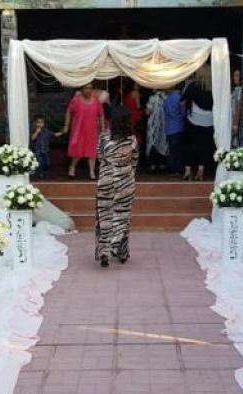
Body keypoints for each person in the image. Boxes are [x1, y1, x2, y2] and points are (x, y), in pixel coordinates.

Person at [95, 106, 139, 268]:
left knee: (104, 216)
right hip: (125, 180)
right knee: (122, 216)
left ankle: (104, 253)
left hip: (106, 180)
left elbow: (100, 157)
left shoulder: (103, 138)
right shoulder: (132, 140)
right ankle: (121, 251)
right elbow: (135, 160)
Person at [62, 83, 105, 180]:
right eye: (86, 88)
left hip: (92, 130)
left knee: (92, 151)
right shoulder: (76, 100)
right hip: (78, 129)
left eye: (90, 88)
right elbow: (69, 111)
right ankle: (72, 167)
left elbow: (101, 114)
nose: (88, 90)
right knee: (78, 151)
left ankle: (91, 172)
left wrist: (102, 127)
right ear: (82, 89)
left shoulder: (96, 101)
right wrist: (66, 125)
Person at [182, 64, 215, 181]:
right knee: (204, 146)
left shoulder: (192, 86)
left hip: (193, 120)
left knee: (188, 145)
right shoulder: (214, 88)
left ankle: (188, 170)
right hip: (209, 121)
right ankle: (201, 170)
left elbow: (182, 101)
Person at [164, 86, 185, 175]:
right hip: (178, 126)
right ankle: (178, 170)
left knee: (171, 150)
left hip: (168, 127)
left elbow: (165, 112)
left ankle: (171, 170)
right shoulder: (179, 97)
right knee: (178, 150)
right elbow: (183, 112)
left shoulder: (166, 98)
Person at [145, 90, 168, 172]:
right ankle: (162, 164)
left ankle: (153, 165)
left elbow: (148, 112)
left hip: (153, 125)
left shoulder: (152, 98)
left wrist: (145, 110)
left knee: (152, 143)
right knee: (163, 143)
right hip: (164, 124)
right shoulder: (166, 97)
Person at [231, 68, 243, 147]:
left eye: (237, 75)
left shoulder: (240, 90)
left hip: (236, 120)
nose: (234, 78)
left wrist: (235, 124)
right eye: (234, 75)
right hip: (232, 118)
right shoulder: (236, 89)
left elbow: (238, 107)